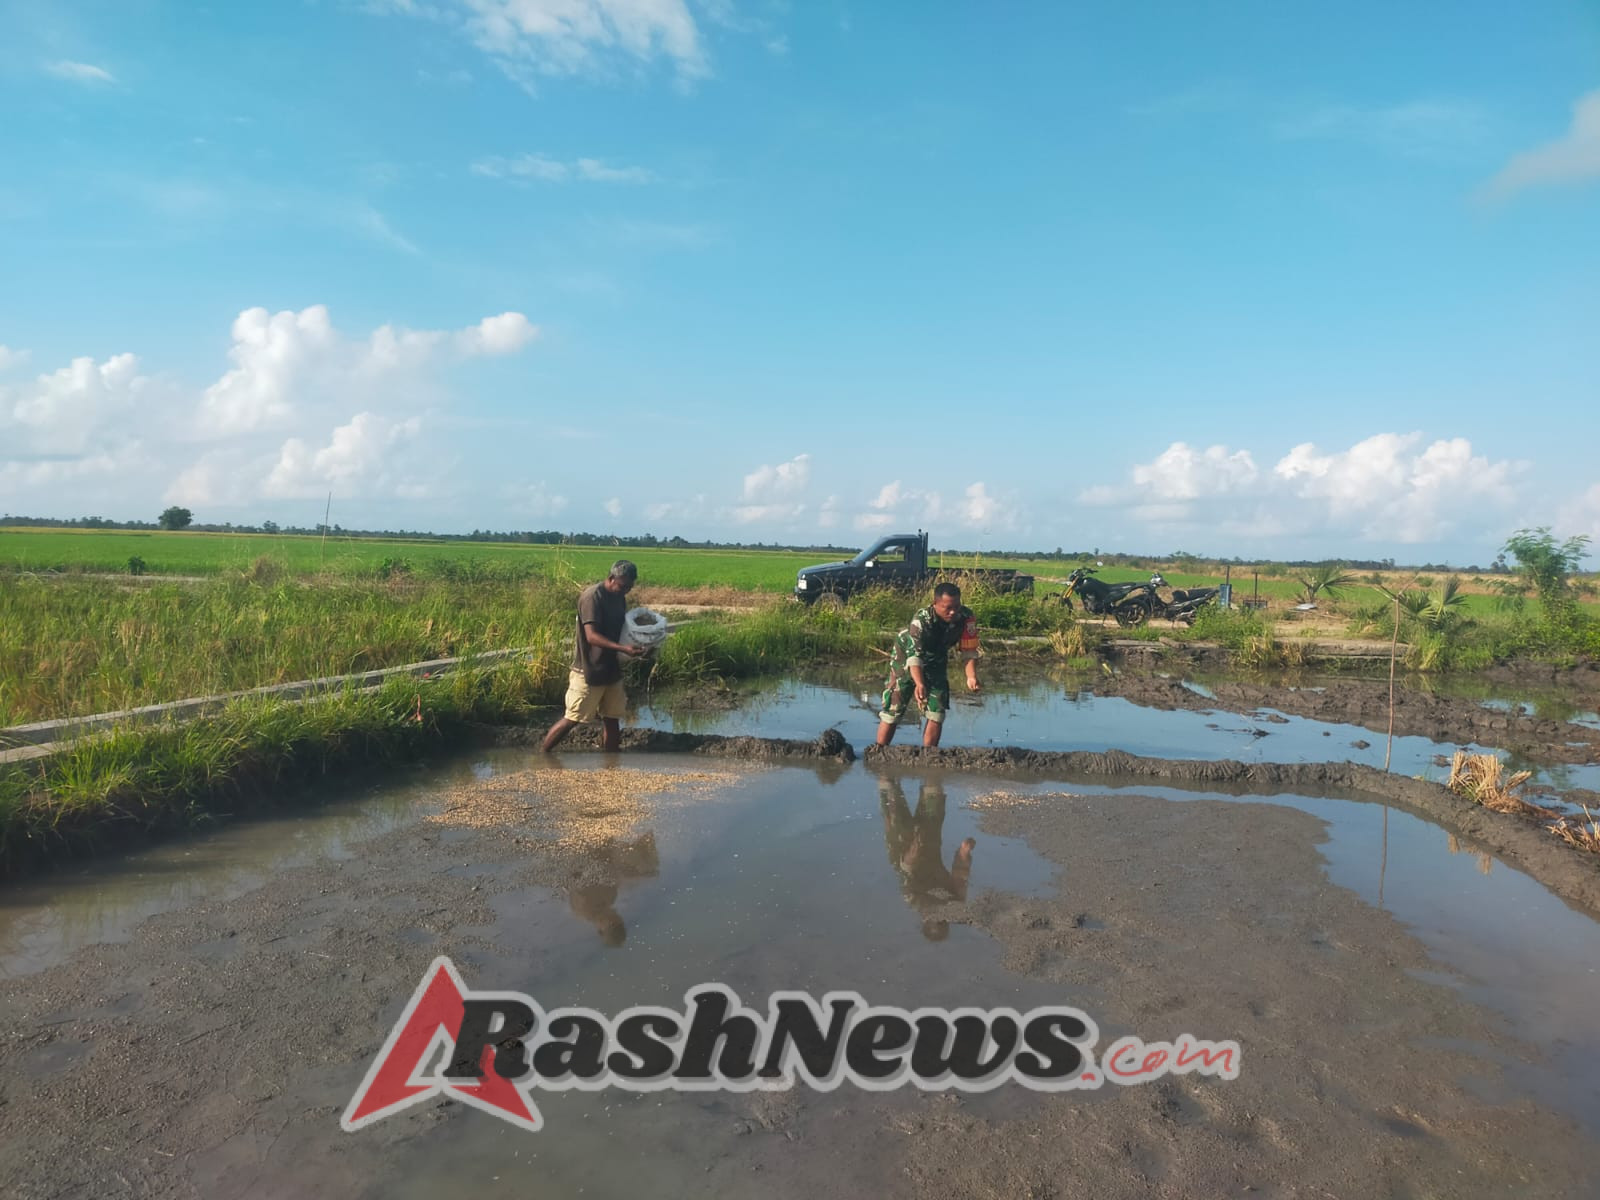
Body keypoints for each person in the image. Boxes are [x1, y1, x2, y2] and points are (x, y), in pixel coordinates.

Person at [541, 559, 648, 752]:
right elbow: (592, 636)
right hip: (589, 669)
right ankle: (541, 756)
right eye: (623, 586)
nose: (626, 591)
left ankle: (611, 766)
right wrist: (623, 649)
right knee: (573, 718)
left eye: (629, 588)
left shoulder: (619, 597)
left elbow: (621, 628)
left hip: (611, 669)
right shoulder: (592, 597)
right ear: (611, 578)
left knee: (612, 718)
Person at [875, 581, 981, 747]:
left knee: (937, 710)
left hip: (937, 656)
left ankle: (929, 755)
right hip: (906, 656)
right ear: (935, 604)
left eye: (956, 606)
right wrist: (919, 683)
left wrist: (971, 676)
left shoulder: (967, 617)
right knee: (895, 706)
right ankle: (879, 750)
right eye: (947, 608)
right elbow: (914, 657)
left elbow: (969, 650)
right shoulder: (921, 620)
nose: (953, 612)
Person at [879, 777, 975, 941]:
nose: (937, 913)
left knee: (890, 790)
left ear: (924, 918)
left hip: (901, 846)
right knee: (934, 794)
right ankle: (931, 766)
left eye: (933, 918)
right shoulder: (954, 901)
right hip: (930, 844)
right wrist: (964, 853)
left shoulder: (913, 900)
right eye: (942, 920)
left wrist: (913, 850)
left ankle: (883, 762)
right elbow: (960, 874)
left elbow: (906, 868)